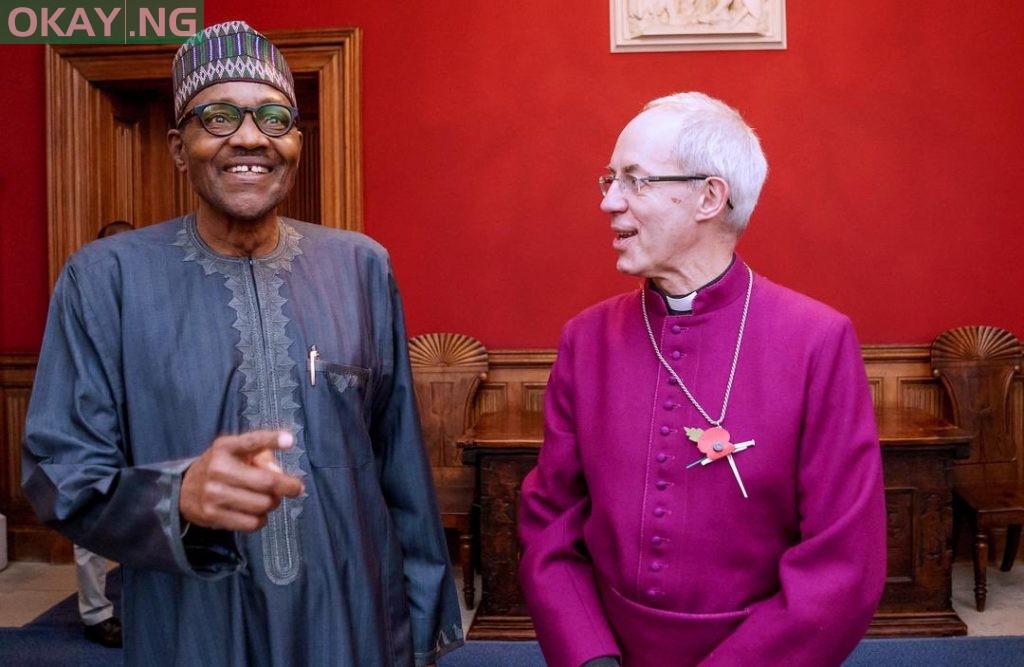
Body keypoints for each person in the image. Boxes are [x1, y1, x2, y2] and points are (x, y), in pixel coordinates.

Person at [22, 20, 463, 666]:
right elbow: (60, 472)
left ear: (297, 141)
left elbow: (400, 467)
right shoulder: (106, 279)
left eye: (274, 117)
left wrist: (421, 625)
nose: (250, 137)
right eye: (219, 116)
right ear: (180, 146)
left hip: (349, 620)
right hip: (196, 625)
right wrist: (176, 497)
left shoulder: (360, 267)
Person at [518, 92, 886, 666]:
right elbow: (551, 524)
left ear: (709, 197)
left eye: (635, 181)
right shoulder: (586, 340)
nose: (610, 202)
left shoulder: (817, 340)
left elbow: (842, 563)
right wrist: (588, 655)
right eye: (609, 180)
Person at [71, 220, 136, 649]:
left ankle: (149, 608)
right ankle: (95, 613)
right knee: (91, 521)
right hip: (97, 421)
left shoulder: (154, 290)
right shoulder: (81, 294)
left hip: (147, 420)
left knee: (152, 515)